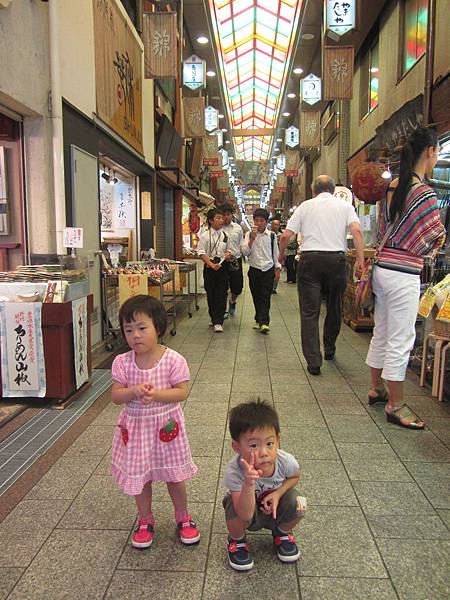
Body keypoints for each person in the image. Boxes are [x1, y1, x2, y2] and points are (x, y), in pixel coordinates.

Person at [366, 126, 446, 429]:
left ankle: (376, 388)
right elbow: (435, 234)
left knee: (382, 330)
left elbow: (384, 228)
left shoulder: (392, 186)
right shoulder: (423, 192)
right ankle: (395, 404)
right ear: (430, 151)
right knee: (401, 336)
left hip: (383, 268)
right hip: (403, 272)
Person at [111, 295, 200, 549]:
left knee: (174, 476)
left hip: (165, 430)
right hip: (137, 431)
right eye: (129, 330)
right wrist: (132, 391)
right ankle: (145, 519)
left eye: (142, 328)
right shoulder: (122, 362)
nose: (135, 336)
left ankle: (183, 517)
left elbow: (181, 392)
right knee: (141, 478)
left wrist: (156, 394)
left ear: (158, 328)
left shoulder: (173, 360)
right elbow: (116, 396)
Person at [279, 175, 364, 375]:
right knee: (335, 307)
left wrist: (281, 255)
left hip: (310, 261)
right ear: (333, 190)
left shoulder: (305, 206)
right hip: (337, 261)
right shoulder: (345, 207)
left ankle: (314, 361)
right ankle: (330, 349)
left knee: (310, 312)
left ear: (313, 189)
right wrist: (361, 260)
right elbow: (357, 231)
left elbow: (285, 236)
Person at [223, 399, 306, 571]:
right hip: (248, 512)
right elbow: (245, 514)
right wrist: (248, 483)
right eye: (253, 445)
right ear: (236, 447)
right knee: (232, 504)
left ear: (278, 440)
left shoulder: (285, 461)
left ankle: (282, 533)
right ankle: (237, 540)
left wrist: (278, 493)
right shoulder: (234, 470)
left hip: (274, 511)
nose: (264, 453)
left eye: (270, 443)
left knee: (299, 501)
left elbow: (294, 476)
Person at [242, 208, 281, 334]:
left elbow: (275, 253)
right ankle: (258, 318)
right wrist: (251, 240)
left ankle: (264, 322)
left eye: (261, 221)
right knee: (256, 296)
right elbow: (245, 253)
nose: (258, 223)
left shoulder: (272, 236)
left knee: (265, 296)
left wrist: (277, 269)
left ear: (266, 222)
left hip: (268, 269)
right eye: (256, 220)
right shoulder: (249, 234)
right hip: (254, 269)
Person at [197, 208, 231, 333]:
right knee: (211, 294)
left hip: (222, 268)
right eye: (218, 218)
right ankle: (213, 316)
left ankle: (218, 321)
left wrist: (228, 254)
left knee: (222, 294)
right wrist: (211, 264)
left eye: (222, 218)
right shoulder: (205, 236)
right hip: (209, 268)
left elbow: (229, 250)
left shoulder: (225, 236)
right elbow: (201, 253)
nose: (221, 220)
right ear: (211, 221)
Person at [219, 203, 244, 317]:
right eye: (223, 215)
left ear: (232, 215)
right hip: (221, 261)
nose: (225, 217)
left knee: (237, 287)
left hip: (235, 260)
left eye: (228, 214)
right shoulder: (217, 228)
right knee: (222, 286)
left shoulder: (238, 228)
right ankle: (223, 310)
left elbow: (241, 243)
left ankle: (232, 301)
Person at [270, 218, 282, 294]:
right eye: (274, 224)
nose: (276, 226)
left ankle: (274, 288)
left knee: (277, 275)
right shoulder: (269, 234)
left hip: (277, 257)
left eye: (277, 225)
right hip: (269, 257)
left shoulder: (281, 235)